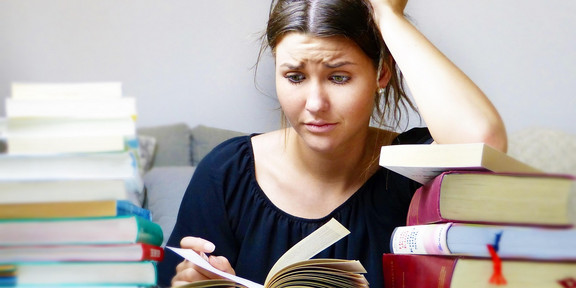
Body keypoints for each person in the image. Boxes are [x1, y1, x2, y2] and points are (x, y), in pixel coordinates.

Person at [157, 0, 507, 287]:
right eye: (295, 77)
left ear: (381, 73)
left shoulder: (411, 172)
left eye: (339, 77)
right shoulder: (226, 173)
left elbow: (484, 142)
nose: (315, 103)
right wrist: (189, 282)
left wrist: (388, 14)